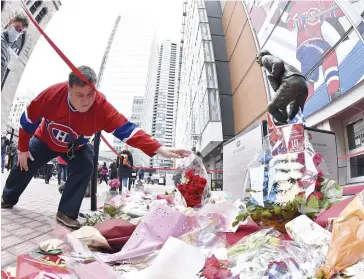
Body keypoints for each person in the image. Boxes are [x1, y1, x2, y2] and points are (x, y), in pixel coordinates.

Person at [1, 66, 189, 229]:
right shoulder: (52, 95)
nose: (86, 101)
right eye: (79, 95)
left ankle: (66, 212)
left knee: (85, 165)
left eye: (90, 94)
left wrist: (160, 149)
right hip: (45, 138)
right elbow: (29, 119)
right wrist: (23, 148)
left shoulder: (101, 106)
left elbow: (128, 130)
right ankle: (8, 197)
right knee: (25, 161)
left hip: (75, 146)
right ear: (69, 90)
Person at [256, 50, 308, 124]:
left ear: (261, 56)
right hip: (303, 84)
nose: (256, 60)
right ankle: (296, 130)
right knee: (294, 117)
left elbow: (278, 63)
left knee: (271, 108)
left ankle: (285, 127)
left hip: (291, 81)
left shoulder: (265, 58)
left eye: (257, 58)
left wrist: (274, 76)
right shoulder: (285, 65)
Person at [1, 14, 29, 83]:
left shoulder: (7, 50)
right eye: (17, 28)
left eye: (20, 31)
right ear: (11, 22)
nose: (17, 32)